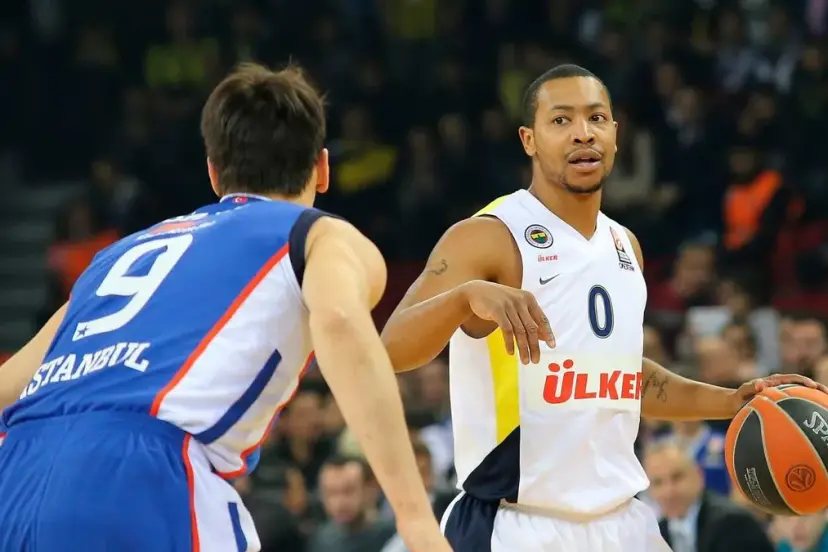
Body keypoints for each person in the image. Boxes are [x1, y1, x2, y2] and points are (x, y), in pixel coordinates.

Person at [0, 63, 450, 552]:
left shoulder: (117, 256)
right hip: (140, 471)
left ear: (214, 173)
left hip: (16, 470)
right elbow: (340, 323)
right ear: (322, 169)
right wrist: (415, 519)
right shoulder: (317, 235)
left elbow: (8, 385)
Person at [380, 64, 825, 551]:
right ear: (529, 140)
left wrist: (731, 402)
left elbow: (621, 377)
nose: (583, 133)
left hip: (623, 522)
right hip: (517, 523)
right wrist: (464, 297)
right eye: (561, 120)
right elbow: (390, 351)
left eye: (596, 118)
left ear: (615, 133)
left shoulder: (624, 245)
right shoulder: (488, 235)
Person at [644, 439, 774, 552]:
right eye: (658, 483)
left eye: (677, 477)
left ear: (698, 475)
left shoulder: (732, 524)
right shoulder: (656, 534)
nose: (669, 491)